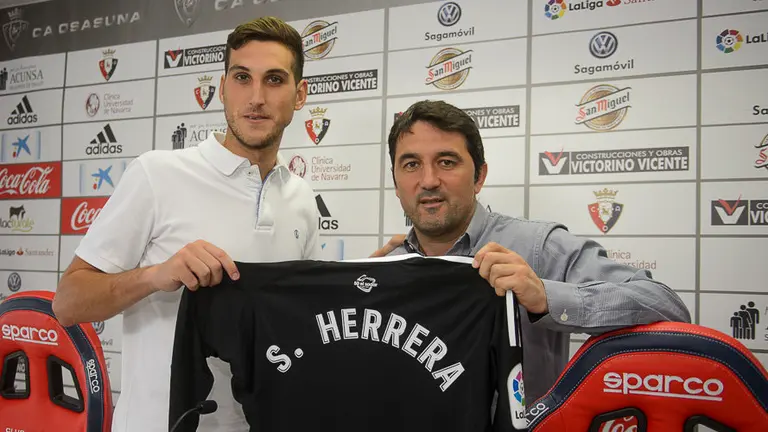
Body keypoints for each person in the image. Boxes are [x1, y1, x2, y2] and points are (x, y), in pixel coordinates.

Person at [53, 17, 319, 432]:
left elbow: (302, 321)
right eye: (242, 77)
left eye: (274, 80)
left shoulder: (301, 196)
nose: (256, 97)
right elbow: (67, 303)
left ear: (299, 94)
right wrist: (156, 275)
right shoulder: (155, 174)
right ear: (223, 86)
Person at [371, 99, 692, 404]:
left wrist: (546, 297)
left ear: (479, 176)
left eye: (446, 162)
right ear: (396, 184)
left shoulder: (540, 246)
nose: (428, 180)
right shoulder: (385, 268)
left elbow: (665, 305)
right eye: (411, 164)